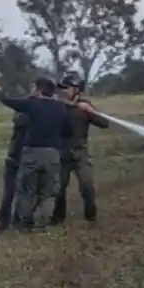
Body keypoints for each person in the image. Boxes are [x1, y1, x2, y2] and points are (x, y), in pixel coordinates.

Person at [0, 77, 79, 230]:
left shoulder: (33, 104)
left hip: (31, 153)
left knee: (27, 190)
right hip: (52, 154)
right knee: (48, 192)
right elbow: (69, 131)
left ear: (39, 90)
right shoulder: (60, 107)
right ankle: (42, 224)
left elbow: (8, 100)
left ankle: (24, 224)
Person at [51, 71, 109, 225]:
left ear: (77, 89)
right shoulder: (57, 105)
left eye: (67, 87)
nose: (63, 90)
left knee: (86, 184)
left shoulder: (85, 106)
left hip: (80, 152)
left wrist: (92, 112)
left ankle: (91, 216)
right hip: (61, 152)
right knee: (58, 187)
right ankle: (58, 218)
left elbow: (104, 123)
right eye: (63, 87)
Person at [0, 85, 32, 231]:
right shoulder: (24, 114)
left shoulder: (27, 112)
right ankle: (4, 222)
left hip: (25, 157)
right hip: (15, 157)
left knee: (21, 193)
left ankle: (16, 221)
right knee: (11, 193)